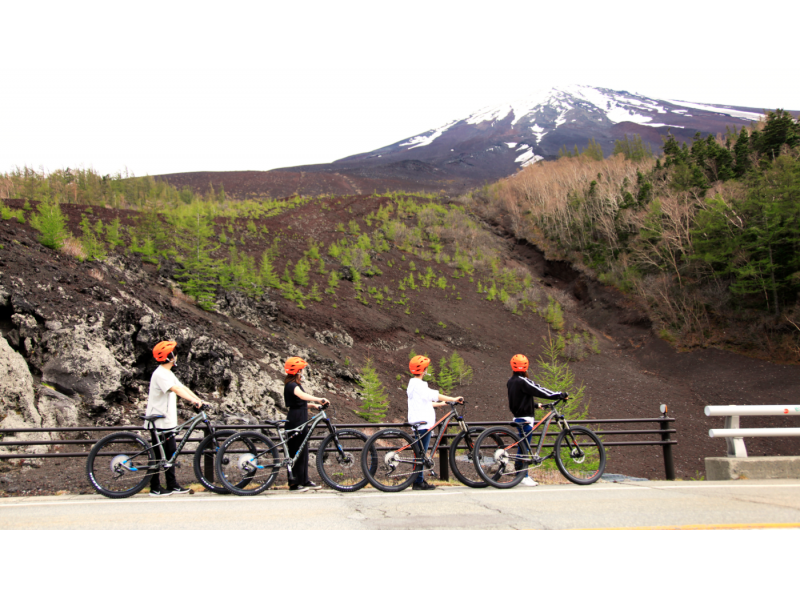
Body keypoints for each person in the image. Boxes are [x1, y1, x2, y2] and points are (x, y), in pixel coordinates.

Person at [146, 340, 204, 497]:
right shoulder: (160, 374)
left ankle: (172, 484)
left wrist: (199, 400)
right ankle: (155, 487)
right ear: (170, 356)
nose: (177, 356)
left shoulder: (168, 373)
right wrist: (194, 401)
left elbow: (183, 387)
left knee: (170, 453)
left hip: (167, 421)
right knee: (158, 456)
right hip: (159, 422)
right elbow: (176, 389)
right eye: (175, 354)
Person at [507, 354, 568, 487]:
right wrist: (559, 394)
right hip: (526, 418)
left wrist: (535, 405)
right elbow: (540, 390)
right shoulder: (523, 381)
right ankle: (523, 476)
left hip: (518, 416)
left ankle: (521, 475)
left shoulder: (511, 381)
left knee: (523, 447)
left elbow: (518, 399)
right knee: (524, 449)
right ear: (526, 366)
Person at [407, 355, 463, 490]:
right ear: (423, 370)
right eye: (426, 368)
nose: (427, 370)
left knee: (420, 452)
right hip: (423, 424)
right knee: (421, 453)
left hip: (420, 421)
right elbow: (434, 395)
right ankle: (418, 482)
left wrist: (441, 404)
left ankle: (419, 480)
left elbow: (423, 402)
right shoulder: (419, 385)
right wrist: (453, 399)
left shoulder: (413, 384)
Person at [283, 356, 330, 492]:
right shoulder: (292, 385)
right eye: (301, 370)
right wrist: (319, 399)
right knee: (296, 450)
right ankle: (295, 483)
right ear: (297, 371)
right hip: (296, 419)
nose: (302, 373)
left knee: (303, 450)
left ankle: (304, 480)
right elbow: (302, 396)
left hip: (300, 417)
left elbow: (301, 402)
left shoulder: (295, 385)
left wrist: (314, 406)